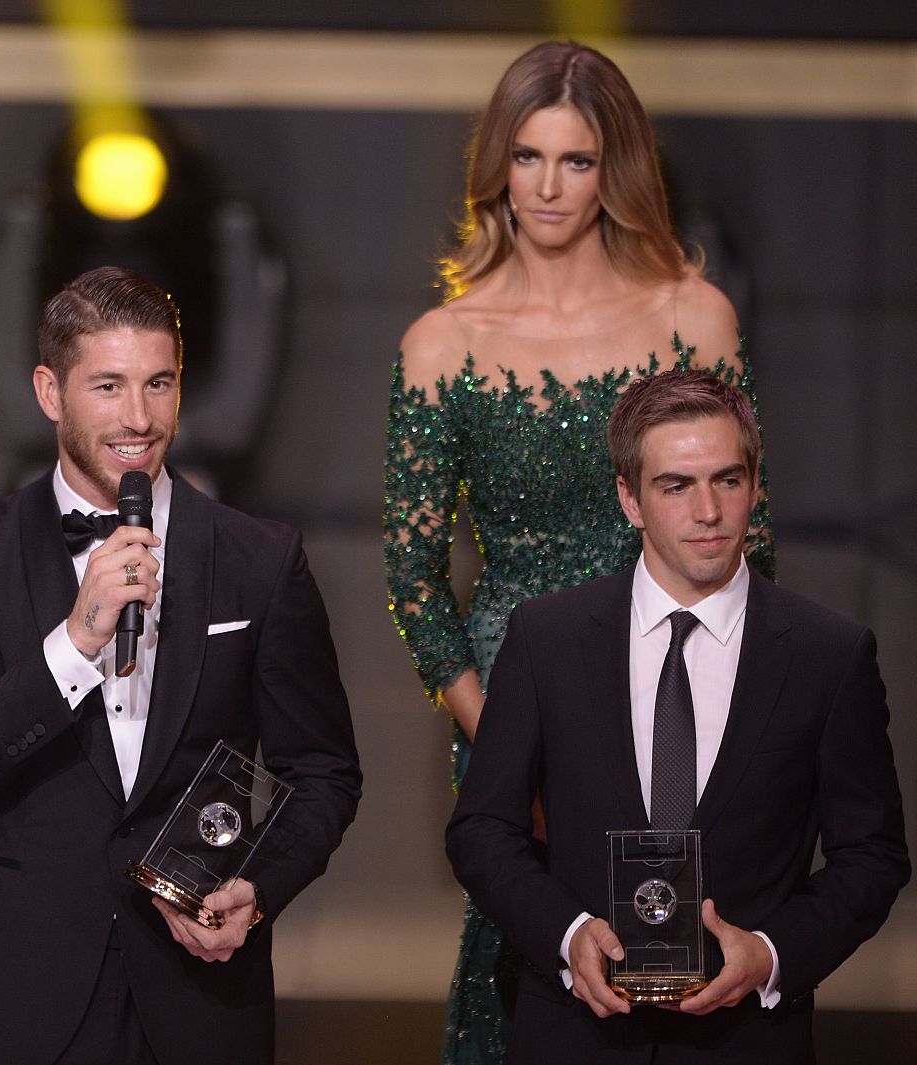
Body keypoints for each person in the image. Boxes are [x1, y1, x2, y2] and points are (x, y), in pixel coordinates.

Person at [381, 39, 774, 1064]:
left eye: (576, 160)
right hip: (512, 696)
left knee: (684, 944)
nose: (548, 186)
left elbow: (750, 548)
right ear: (496, 169)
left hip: (681, 683)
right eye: (528, 157)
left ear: (616, 171)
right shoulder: (443, 345)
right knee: (531, 957)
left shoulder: (695, 319)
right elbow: (411, 581)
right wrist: (504, 742)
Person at [0, 265, 362, 1065]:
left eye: (159, 383)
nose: (139, 417)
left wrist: (255, 891)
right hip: (18, 993)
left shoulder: (260, 558)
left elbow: (322, 769)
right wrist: (77, 640)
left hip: (199, 989)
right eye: (109, 386)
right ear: (50, 392)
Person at [445, 370, 908, 1063]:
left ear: (755, 486)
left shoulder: (829, 655)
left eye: (727, 479)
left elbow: (872, 855)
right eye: (676, 485)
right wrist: (568, 935)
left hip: (746, 1041)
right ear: (630, 498)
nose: (708, 510)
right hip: (575, 1035)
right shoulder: (547, 638)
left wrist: (773, 953)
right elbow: (482, 828)